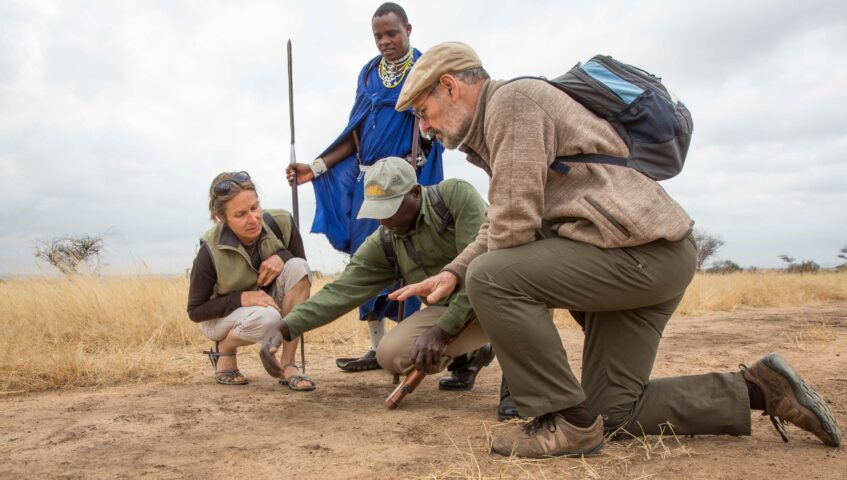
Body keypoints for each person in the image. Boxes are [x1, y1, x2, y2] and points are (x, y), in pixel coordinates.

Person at [391, 42, 842, 457]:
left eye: (423, 110)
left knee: (493, 275)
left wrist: (461, 313)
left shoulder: (512, 103)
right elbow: (504, 216)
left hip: (636, 256)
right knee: (615, 412)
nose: (425, 125)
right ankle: (762, 389)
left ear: (449, 86)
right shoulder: (500, 122)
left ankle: (566, 422)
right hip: (647, 256)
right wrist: (454, 272)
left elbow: (511, 233)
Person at [263, 157, 518, 419]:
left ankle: (519, 381)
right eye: (377, 211)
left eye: (391, 208)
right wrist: (286, 326)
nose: (384, 221)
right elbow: (340, 292)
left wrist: (442, 331)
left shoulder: (455, 197)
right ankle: (472, 353)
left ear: (415, 193)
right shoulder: (386, 241)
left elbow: (481, 266)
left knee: (503, 289)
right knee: (390, 354)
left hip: (498, 297)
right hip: (452, 314)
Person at [285, 2, 444, 372]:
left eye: (392, 33)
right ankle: (377, 347)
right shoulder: (369, 74)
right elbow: (355, 131)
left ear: (408, 29)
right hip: (368, 185)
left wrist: (420, 152)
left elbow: (434, 125)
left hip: (407, 184)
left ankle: (409, 347)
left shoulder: (425, 69)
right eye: (378, 36)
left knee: (411, 262)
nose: (385, 41)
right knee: (368, 261)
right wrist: (316, 167)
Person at [187, 171, 316, 391]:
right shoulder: (209, 251)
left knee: (299, 268)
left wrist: (282, 256)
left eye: (255, 208)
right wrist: (241, 298)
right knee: (269, 318)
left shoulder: (281, 221)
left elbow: (300, 271)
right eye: (240, 215)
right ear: (221, 218)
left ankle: (288, 365)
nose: (253, 219)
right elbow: (195, 311)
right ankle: (225, 347)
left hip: (265, 303)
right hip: (219, 318)